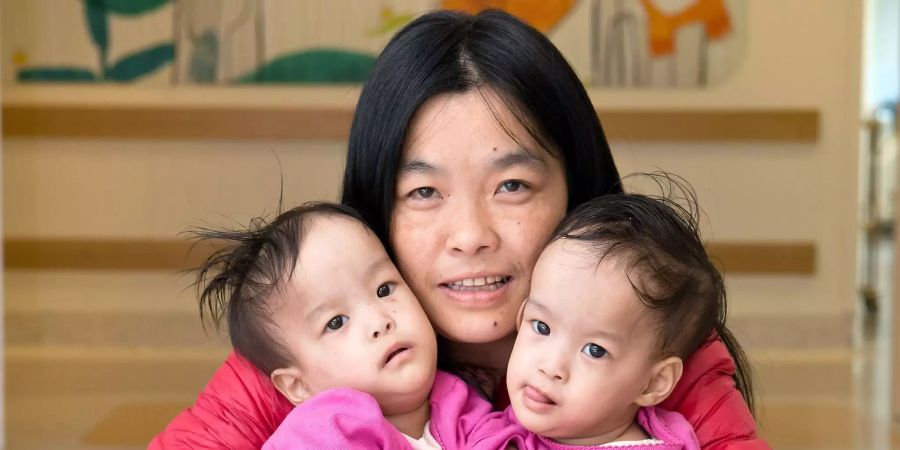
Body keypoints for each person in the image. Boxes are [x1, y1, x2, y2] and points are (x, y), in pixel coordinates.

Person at [151, 9, 766, 449]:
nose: (469, 235)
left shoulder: (642, 333)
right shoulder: (317, 346)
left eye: (512, 186)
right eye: (423, 192)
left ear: (578, 194)